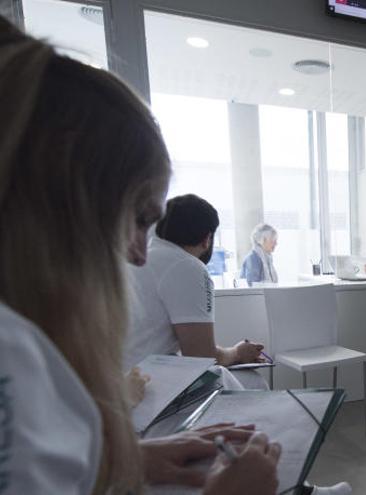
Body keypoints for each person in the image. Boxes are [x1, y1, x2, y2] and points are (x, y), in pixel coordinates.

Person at [0, 18, 279, 493]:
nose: (137, 254)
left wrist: (122, 459)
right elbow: (202, 355)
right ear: (60, 211)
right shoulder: (15, 362)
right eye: (137, 217)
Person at [125, 194, 266, 371]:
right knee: (252, 380)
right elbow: (202, 356)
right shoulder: (188, 266)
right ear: (207, 239)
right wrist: (238, 352)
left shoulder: (144, 257)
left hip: (120, 377)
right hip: (145, 381)